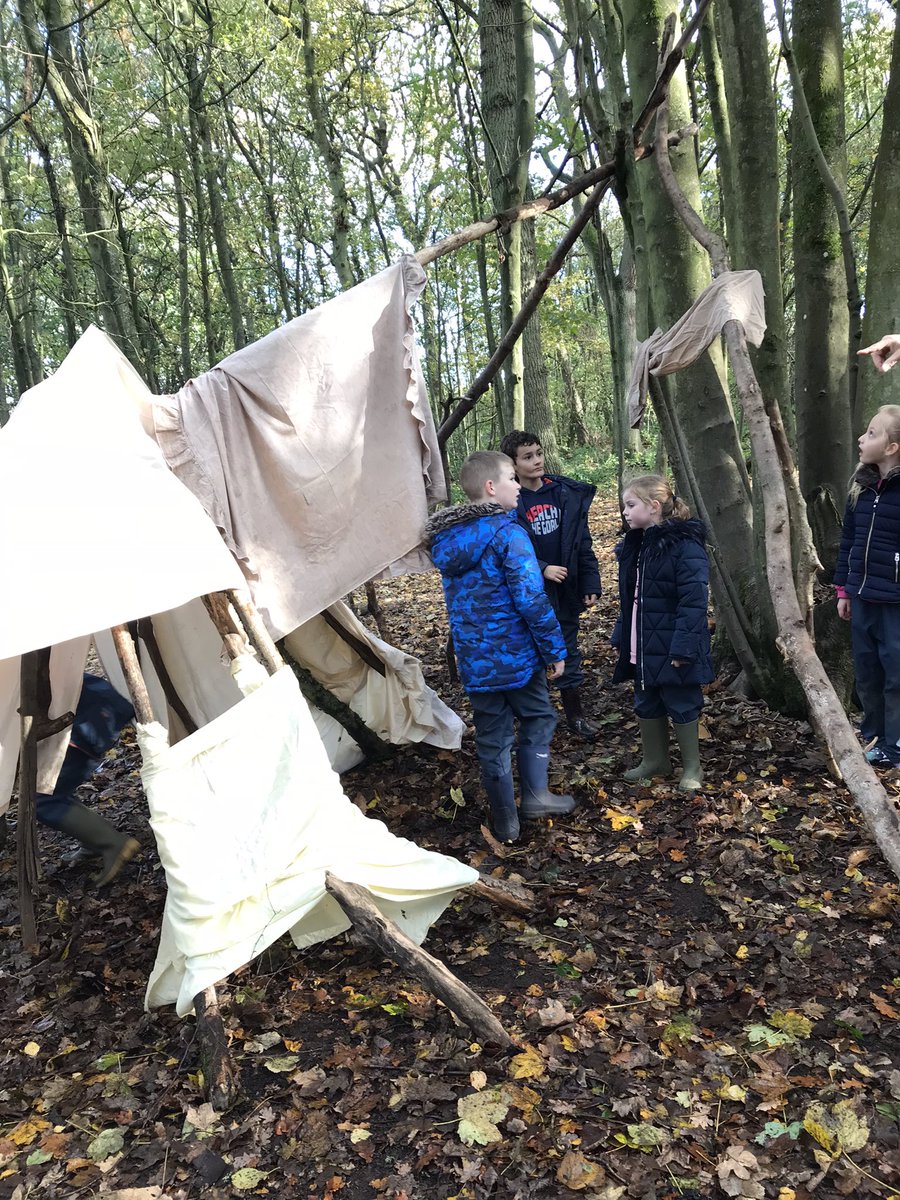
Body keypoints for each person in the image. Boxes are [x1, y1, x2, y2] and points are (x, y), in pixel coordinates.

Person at [425, 450, 576, 843]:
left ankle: (505, 823)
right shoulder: (509, 533)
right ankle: (536, 797)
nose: (516, 485)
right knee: (539, 716)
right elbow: (530, 598)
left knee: (492, 737)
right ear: (491, 487)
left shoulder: (447, 540)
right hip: (518, 658)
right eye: (511, 478)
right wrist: (554, 649)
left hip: (476, 661)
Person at [611, 475, 713, 791]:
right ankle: (656, 760)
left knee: (682, 700)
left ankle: (692, 768)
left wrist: (683, 647)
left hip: (674, 643)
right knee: (646, 699)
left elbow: (694, 599)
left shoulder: (685, 546)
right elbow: (631, 597)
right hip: (641, 642)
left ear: (654, 507)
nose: (625, 512)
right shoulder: (636, 544)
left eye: (631, 505)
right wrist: (621, 633)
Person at [498, 430, 601, 740]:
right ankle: (538, 719)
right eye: (528, 457)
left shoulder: (564, 493)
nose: (537, 460)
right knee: (532, 653)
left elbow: (582, 541)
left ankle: (575, 715)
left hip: (566, 589)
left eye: (539, 453)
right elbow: (503, 548)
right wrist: (541, 568)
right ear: (513, 464)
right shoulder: (509, 501)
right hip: (530, 593)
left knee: (567, 648)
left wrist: (590, 579)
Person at [833, 405, 900, 766]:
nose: (861, 438)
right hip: (862, 595)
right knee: (867, 669)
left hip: (895, 600)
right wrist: (844, 589)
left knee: (896, 672)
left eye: (872, 433)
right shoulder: (861, 487)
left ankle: (895, 743)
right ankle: (873, 731)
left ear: (892, 447)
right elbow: (849, 541)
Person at [36, 673, 140, 886]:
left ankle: (113, 844)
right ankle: (93, 841)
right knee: (52, 788)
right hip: (87, 710)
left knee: (44, 798)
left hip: (85, 718)